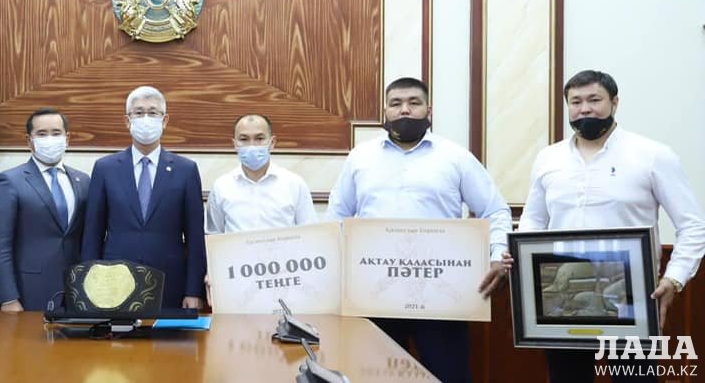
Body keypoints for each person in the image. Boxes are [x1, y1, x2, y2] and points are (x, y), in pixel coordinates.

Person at [513, 70, 705, 383]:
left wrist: (675, 279)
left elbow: (693, 225)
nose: (584, 109)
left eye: (594, 100)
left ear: (614, 103)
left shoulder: (653, 155)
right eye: (576, 102)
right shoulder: (548, 158)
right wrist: (523, 261)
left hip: (630, 298)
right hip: (563, 300)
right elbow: (534, 218)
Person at [327, 77, 512, 383]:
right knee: (377, 377)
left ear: (429, 110)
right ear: (385, 111)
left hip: (442, 293)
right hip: (375, 292)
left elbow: (496, 210)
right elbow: (337, 215)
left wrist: (497, 255)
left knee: (447, 374)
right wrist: (335, 267)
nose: (405, 110)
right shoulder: (360, 157)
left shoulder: (455, 157)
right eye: (396, 103)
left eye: (414, 103)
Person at [81, 86, 206, 309]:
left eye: (153, 112)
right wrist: (88, 286)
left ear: (164, 120)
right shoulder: (105, 168)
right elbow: (93, 234)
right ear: (127, 121)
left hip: (170, 282)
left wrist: (193, 290)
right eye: (139, 113)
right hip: (114, 284)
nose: (146, 118)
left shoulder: (186, 170)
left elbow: (195, 238)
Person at [0, 108, 89, 312]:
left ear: (67, 138)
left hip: (77, 289)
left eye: (56, 133)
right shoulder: (10, 181)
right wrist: (8, 297)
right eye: (42, 134)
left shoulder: (83, 180)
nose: (50, 139)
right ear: (29, 140)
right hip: (30, 290)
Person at [206, 114, 317, 234]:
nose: (252, 146)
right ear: (235, 144)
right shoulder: (221, 187)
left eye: (259, 138)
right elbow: (214, 235)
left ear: (272, 142)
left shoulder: (295, 184)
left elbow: (310, 232)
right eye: (244, 139)